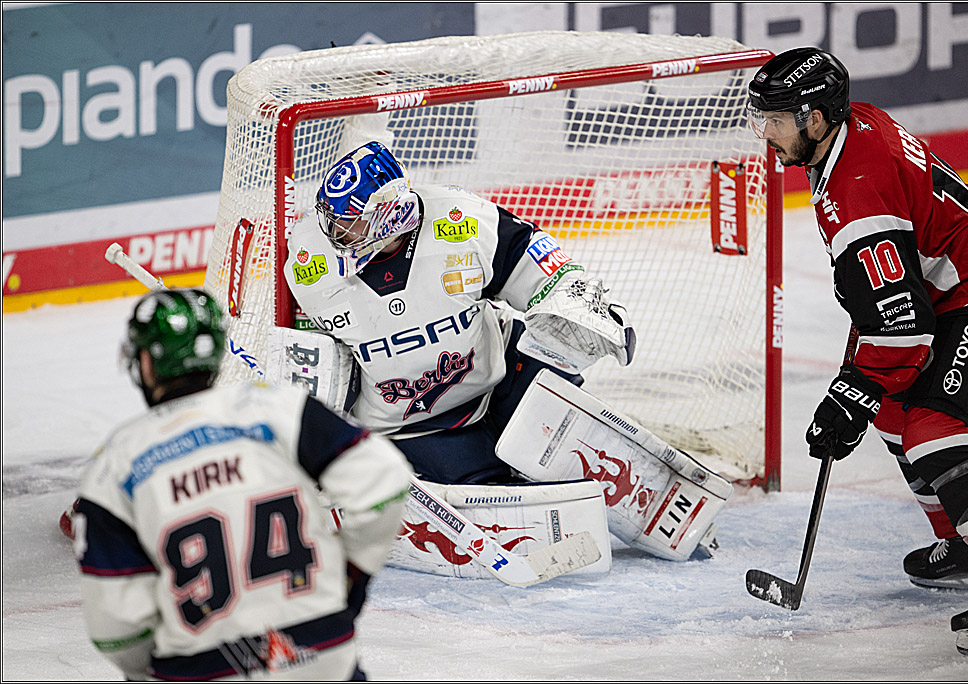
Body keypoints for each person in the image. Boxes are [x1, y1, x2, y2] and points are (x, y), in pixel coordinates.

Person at [747, 47, 968, 654]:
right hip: (942, 279)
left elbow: (904, 330)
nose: (766, 133)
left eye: (777, 119)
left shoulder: (857, 188)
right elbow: (882, 295)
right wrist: (862, 387)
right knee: (892, 414)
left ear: (816, 119)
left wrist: (851, 392)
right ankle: (965, 541)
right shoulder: (851, 127)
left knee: (932, 427)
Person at [70, 288, 412, 680]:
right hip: (319, 649)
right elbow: (384, 482)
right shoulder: (278, 407)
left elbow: (116, 627)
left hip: (199, 667)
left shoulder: (115, 463)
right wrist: (349, 580)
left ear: (145, 363)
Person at [284, 140, 635, 486]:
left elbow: (534, 261)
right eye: (333, 221)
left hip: (499, 380)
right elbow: (313, 361)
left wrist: (576, 299)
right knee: (490, 502)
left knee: (564, 390)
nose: (337, 234)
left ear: (388, 216)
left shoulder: (459, 218)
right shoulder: (309, 260)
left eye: (352, 224)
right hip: (412, 426)